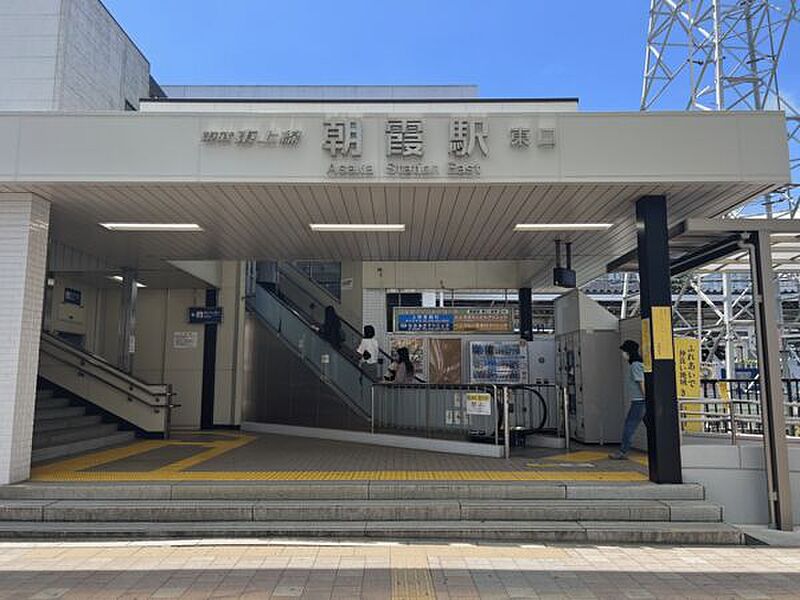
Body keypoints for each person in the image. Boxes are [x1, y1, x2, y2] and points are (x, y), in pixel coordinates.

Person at [609, 339, 646, 460]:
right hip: (642, 401)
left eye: (624, 351)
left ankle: (622, 451)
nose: (623, 354)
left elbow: (641, 383)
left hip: (639, 401)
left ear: (628, 352)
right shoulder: (639, 364)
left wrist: (646, 398)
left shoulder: (635, 365)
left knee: (629, 426)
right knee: (650, 425)